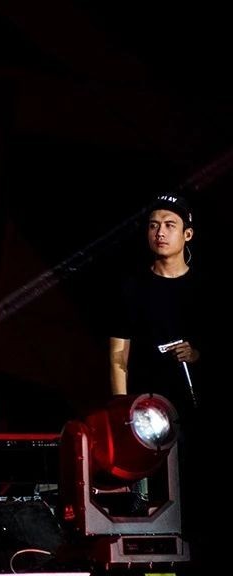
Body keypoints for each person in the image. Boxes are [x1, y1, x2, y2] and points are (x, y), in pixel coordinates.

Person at [108, 193, 212, 571]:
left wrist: (197, 355)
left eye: (169, 225)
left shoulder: (206, 286)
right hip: (148, 417)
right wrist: (122, 413)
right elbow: (118, 356)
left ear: (188, 234)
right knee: (152, 502)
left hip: (196, 410)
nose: (160, 232)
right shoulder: (132, 287)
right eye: (153, 225)